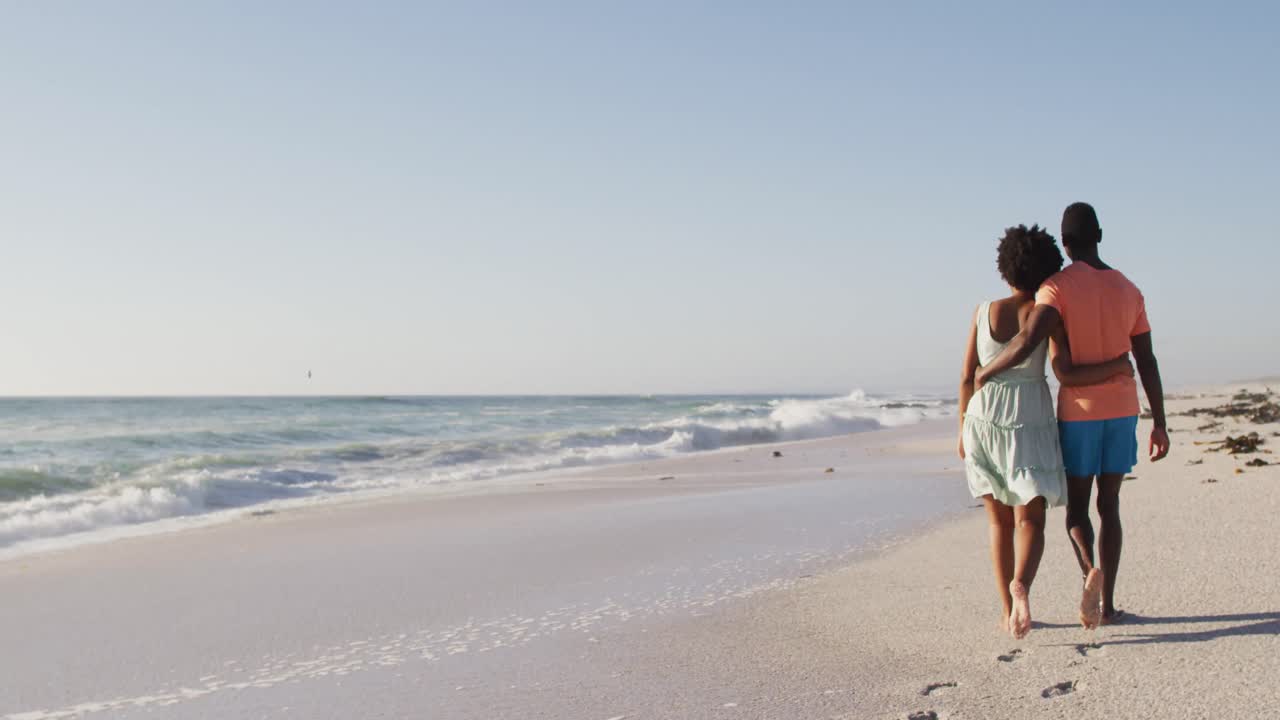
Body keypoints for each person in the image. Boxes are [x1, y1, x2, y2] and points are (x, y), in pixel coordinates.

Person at [975, 203, 1169, 629]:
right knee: (1111, 504)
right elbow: (1147, 360)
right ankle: (1109, 604)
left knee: (1078, 509)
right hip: (1121, 410)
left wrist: (986, 371)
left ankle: (1088, 570)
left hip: (1079, 413)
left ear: (1064, 244)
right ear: (1100, 233)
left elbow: (1027, 341)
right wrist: (1160, 422)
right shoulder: (1130, 289)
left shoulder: (1056, 289)